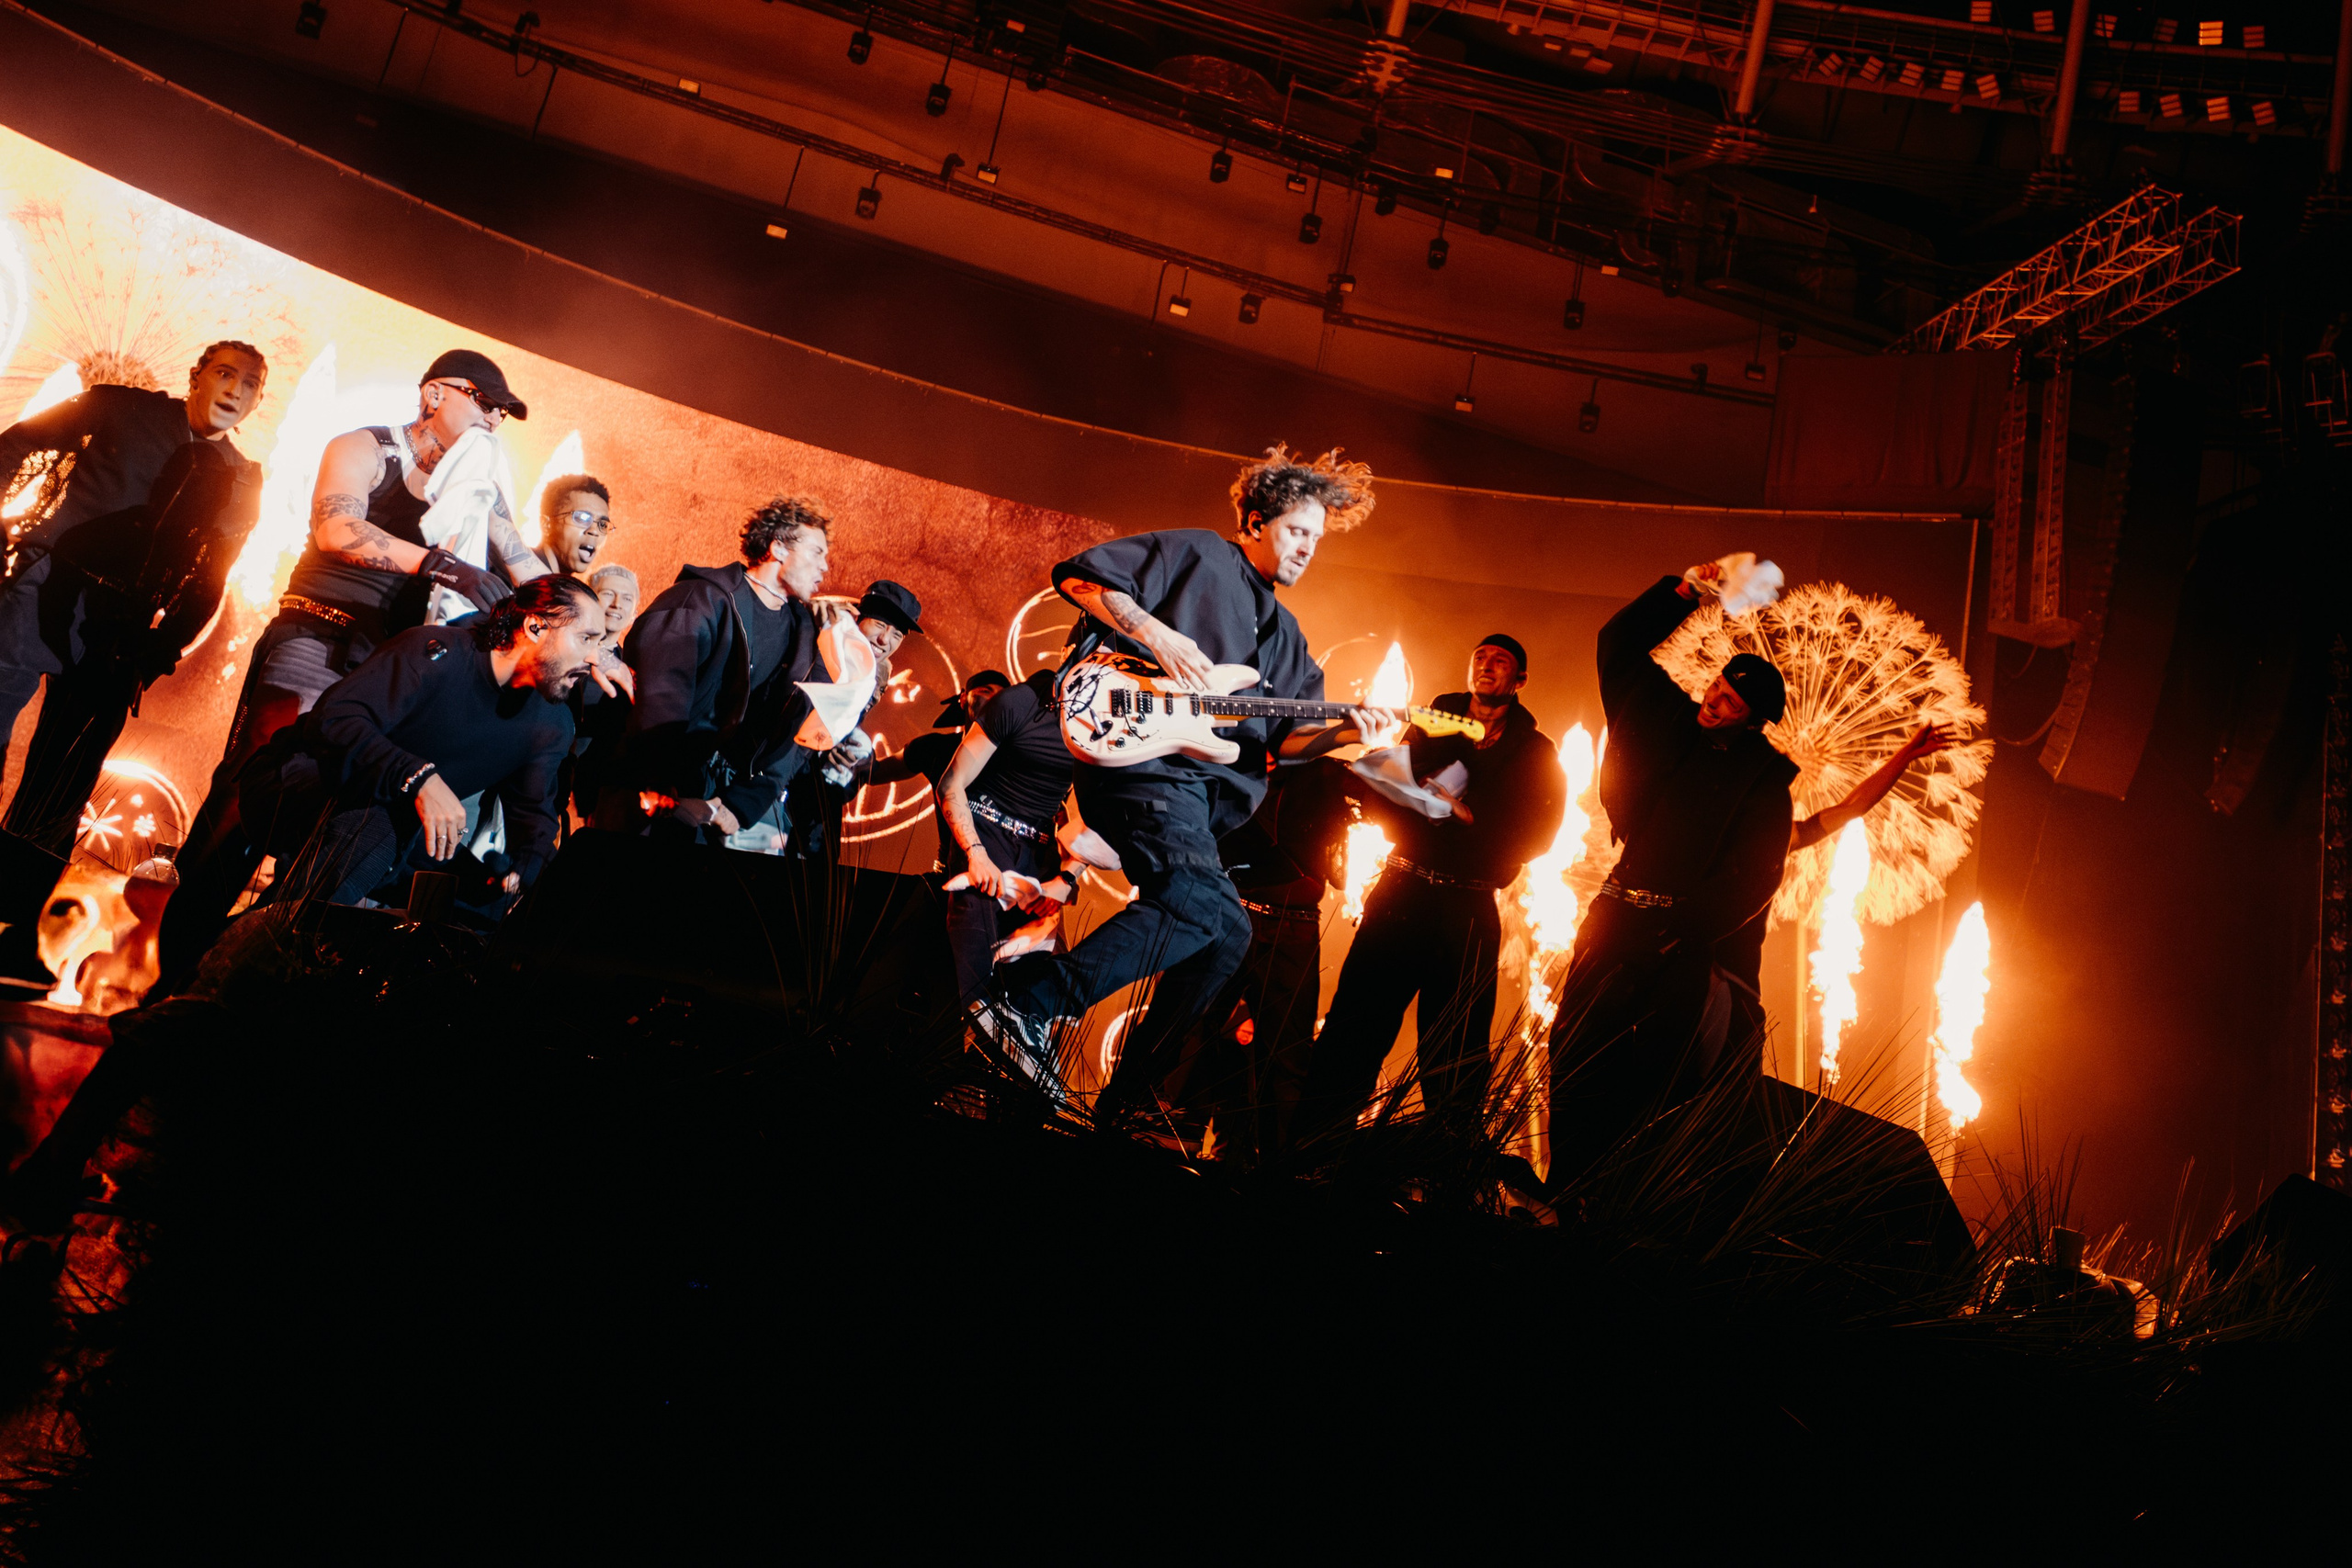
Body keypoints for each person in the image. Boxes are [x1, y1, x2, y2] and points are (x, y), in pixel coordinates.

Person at [981, 445, 1385, 1124]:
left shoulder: (1285, 635)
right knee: (1203, 905)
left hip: (1194, 798)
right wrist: (1154, 632)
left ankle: (1129, 1101)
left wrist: (1354, 732)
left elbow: (1287, 739)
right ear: (1255, 520)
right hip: (1141, 764)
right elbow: (1082, 578)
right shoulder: (1199, 553)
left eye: (1316, 539)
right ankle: (1028, 1000)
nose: (1307, 549)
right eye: (1295, 531)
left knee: (1226, 934)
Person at [164, 350, 543, 975]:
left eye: (502, 412)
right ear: (435, 395)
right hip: (319, 642)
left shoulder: (477, 490)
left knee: (337, 819)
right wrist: (438, 563)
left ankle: (255, 975)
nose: (494, 421)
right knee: (246, 807)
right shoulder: (368, 447)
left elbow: (525, 565)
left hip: (390, 678)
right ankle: (175, 975)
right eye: (485, 401)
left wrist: (591, 639)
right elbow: (337, 527)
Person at [1544, 560, 1797, 1185]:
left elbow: (1755, 880)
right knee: (1573, 1050)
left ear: (1753, 718)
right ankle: (1564, 1189)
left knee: (1652, 1074)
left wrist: (1681, 930)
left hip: (1680, 947)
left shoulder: (1764, 784)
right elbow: (1618, 646)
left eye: (1730, 701)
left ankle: (1627, 1204)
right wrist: (1683, 591)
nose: (1713, 700)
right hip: (1614, 915)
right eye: (1716, 687)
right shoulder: (1670, 723)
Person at [1295, 633, 1567, 1148]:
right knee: (1355, 1029)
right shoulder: (1430, 722)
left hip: (1468, 906)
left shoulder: (1535, 751)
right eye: (1480, 658)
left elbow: (1538, 833)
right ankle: (1314, 1152)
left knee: (1457, 1048)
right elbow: (1385, 788)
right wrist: (1422, 802)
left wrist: (1472, 816)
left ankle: (1447, 1171)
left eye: (1501, 661)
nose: (1486, 667)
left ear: (1520, 680)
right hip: (1403, 891)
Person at [0, 342, 268, 858]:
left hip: (119, 633)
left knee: (65, 780)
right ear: (196, 377)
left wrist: (162, 647)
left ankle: (13, 901)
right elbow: (17, 444)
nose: (236, 390)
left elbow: (211, 577)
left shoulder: (241, 478)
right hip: (45, 585)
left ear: (258, 401)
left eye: (251, 384)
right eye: (225, 374)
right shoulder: (122, 406)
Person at [234, 574, 604, 912]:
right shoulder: (435, 653)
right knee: (377, 830)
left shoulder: (552, 724)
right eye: (586, 638)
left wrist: (524, 869)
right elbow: (335, 720)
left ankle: (268, 941)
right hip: (299, 781)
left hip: (401, 823)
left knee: (482, 900)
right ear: (535, 626)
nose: (593, 658)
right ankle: (253, 962)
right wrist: (419, 779)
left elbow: (534, 814)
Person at [597, 496, 829, 843]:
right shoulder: (701, 601)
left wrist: (741, 804)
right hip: (648, 794)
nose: (826, 567)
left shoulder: (806, 636)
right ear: (778, 548)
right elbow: (661, 696)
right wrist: (662, 784)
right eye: (817, 552)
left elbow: (794, 731)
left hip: (714, 805)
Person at [935, 667, 1076, 1010]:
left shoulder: (1104, 728)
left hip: (1038, 850)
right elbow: (950, 784)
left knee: (1034, 956)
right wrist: (976, 853)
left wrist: (1070, 878)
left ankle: (1020, 1037)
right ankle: (978, 1024)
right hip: (986, 831)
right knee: (975, 922)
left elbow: (1085, 820)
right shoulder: (1019, 703)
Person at [783, 580, 926, 860]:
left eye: (897, 635)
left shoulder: (880, 670)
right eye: (881, 626)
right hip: (775, 765)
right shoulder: (822, 635)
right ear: (859, 619)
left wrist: (850, 748)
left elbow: (849, 719)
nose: (885, 641)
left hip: (815, 791)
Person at [861, 669, 1010, 870]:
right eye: (986, 691)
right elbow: (872, 773)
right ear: (964, 698)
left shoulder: (1018, 757)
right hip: (949, 873)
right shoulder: (936, 749)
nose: (994, 700)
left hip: (1006, 876)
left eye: (1001, 696)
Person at [535, 475, 611, 578]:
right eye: (582, 518)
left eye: (602, 525)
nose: (595, 531)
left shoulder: (572, 590)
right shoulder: (514, 575)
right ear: (546, 524)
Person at [588, 562, 640, 640]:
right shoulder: (566, 648)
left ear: (634, 615)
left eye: (627, 599)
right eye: (608, 594)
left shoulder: (627, 652)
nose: (617, 604)